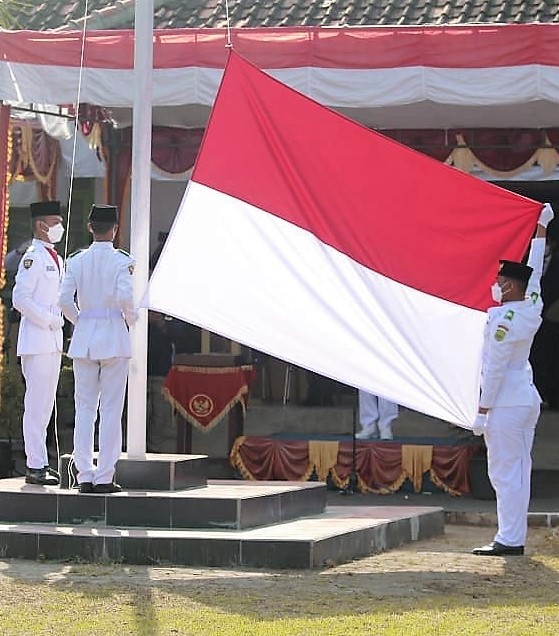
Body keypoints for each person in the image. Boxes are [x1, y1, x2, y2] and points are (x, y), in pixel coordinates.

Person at [471, 203, 553, 557]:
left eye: (501, 281)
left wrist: (482, 410)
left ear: (510, 287)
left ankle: (509, 539)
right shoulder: (530, 305)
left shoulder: (505, 323)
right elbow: (533, 273)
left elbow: (494, 369)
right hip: (523, 399)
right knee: (517, 471)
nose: (496, 284)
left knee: (506, 475)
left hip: (504, 403)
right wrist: (542, 230)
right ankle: (512, 537)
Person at [59, 204, 138, 494]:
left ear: (90, 228)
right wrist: (131, 320)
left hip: (85, 338)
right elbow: (126, 297)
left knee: (85, 409)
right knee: (111, 410)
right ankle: (105, 475)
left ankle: (84, 475)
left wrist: (82, 321)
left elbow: (64, 300)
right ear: (115, 230)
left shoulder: (76, 260)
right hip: (114, 335)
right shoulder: (122, 261)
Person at [12, 200, 65, 486]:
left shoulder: (55, 257)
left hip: (52, 341)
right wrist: (47, 319)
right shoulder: (32, 257)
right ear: (40, 225)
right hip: (37, 340)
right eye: (54, 222)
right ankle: (34, 464)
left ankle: (41, 461)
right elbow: (20, 298)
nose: (59, 227)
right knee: (36, 405)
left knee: (45, 405)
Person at [147, 310, 175, 453]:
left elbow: (179, 337)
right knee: (137, 412)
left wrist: (162, 324)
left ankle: (154, 447)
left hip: (161, 374)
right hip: (138, 374)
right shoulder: (138, 322)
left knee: (160, 413)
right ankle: (131, 445)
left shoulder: (167, 323)